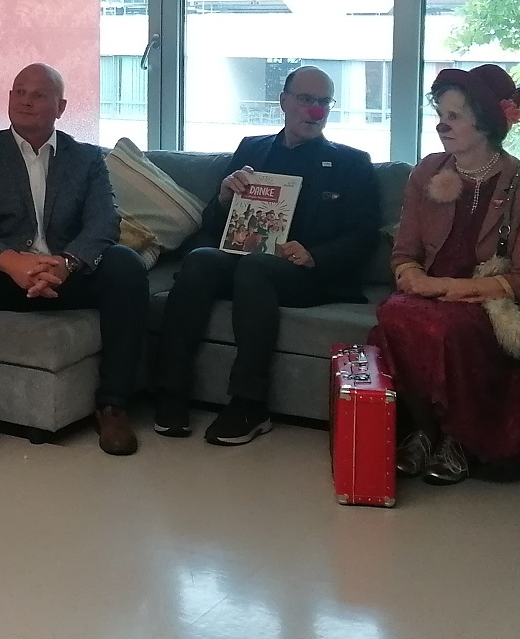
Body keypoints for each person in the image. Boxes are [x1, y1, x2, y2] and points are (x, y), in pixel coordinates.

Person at [0, 63, 149, 467]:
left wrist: (67, 263)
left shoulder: (86, 158)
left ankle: (113, 406)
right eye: (19, 92)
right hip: (3, 276)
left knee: (127, 266)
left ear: (60, 107)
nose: (26, 101)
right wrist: (11, 262)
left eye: (38, 94)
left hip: (65, 275)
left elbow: (105, 222)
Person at [152, 66, 380, 445]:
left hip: (307, 274)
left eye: (324, 102)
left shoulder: (352, 163)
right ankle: (171, 391)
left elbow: (365, 236)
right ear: (284, 102)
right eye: (306, 100)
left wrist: (314, 254)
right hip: (246, 259)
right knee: (202, 259)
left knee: (255, 268)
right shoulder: (251, 149)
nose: (315, 110)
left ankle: (249, 404)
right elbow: (213, 222)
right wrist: (224, 199)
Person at [369, 64, 520, 486]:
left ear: (486, 122)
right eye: (440, 114)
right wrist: (410, 275)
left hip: (488, 302)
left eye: (454, 116)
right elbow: (404, 253)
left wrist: (444, 288)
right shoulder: (427, 172)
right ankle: (423, 430)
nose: (441, 125)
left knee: (447, 329)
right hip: (425, 296)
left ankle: (456, 440)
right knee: (392, 314)